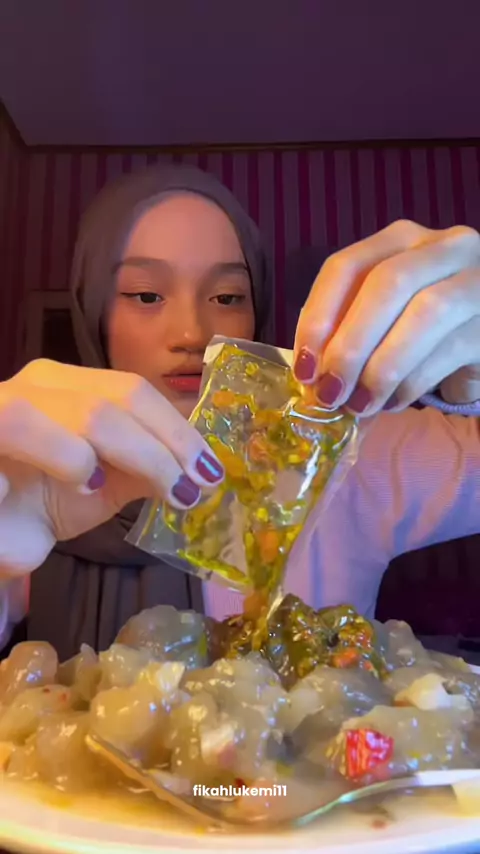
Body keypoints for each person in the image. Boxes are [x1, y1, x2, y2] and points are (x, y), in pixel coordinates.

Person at [0, 165, 479, 662]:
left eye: (227, 297)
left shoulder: (338, 453)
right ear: (95, 313)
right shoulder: (32, 471)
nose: (191, 333)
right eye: (146, 296)